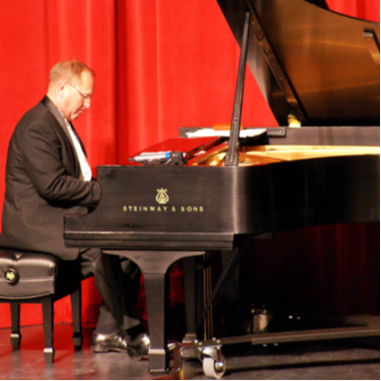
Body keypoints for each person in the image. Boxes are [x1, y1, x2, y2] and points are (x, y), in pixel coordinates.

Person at [0, 60, 149, 358]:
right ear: (62, 87)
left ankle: (107, 332)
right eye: (85, 95)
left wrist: (106, 194)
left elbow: (78, 179)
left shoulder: (58, 122)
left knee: (132, 241)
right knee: (97, 244)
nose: (89, 104)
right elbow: (52, 186)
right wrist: (105, 193)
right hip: (34, 225)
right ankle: (132, 333)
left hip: (56, 217)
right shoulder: (37, 126)